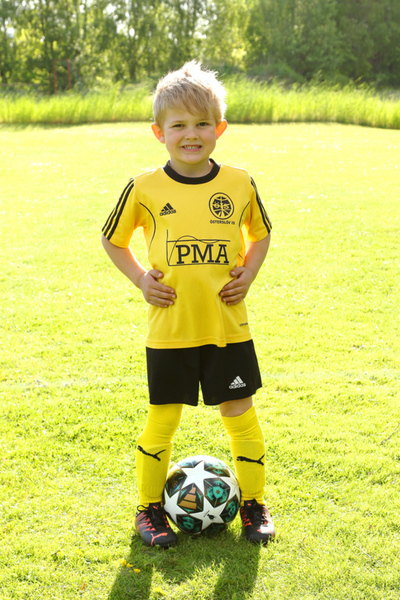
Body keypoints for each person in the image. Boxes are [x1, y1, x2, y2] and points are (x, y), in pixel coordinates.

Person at [101, 61, 275, 548]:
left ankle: (254, 504)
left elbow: (261, 234)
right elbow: (113, 239)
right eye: (178, 125)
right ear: (159, 132)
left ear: (220, 128)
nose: (191, 134)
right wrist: (141, 279)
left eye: (202, 124)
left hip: (227, 325)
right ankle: (149, 509)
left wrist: (249, 272)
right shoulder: (144, 187)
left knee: (240, 413)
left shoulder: (239, 183)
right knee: (163, 417)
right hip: (171, 327)